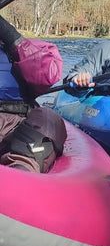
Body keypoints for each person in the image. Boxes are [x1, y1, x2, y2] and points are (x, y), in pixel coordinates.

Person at [0, 14, 67, 172]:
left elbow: (48, 75)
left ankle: (22, 169)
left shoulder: (19, 48)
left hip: (17, 126)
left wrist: (10, 36)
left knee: (48, 117)